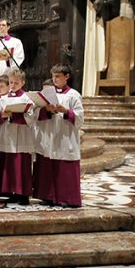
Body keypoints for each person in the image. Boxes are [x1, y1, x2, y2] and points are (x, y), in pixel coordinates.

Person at [34, 64, 83, 207]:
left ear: (66, 77)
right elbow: (36, 114)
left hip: (65, 136)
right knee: (49, 166)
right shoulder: (47, 94)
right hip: (50, 134)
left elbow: (80, 118)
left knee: (64, 167)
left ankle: (67, 198)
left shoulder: (73, 95)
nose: (54, 79)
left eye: (58, 76)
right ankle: (48, 196)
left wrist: (66, 111)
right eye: (53, 76)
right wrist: (47, 110)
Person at [0, 69, 36, 205]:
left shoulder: (27, 98)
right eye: (11, 82)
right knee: (9, 164)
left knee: (22, 165)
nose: (13, 85)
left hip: (22, 135)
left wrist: (16, 115)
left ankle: (23, 193)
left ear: (23, 83)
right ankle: (11, 191)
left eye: (16, 83)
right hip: (8, 135)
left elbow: (31, 117)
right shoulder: (3, 98)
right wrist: (3, 116)